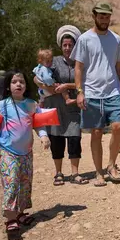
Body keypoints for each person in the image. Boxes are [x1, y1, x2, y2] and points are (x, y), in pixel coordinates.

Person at [0, 70, 50, 234]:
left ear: (26, 86)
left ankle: (20, 213)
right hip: (7, 151)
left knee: (24, 184)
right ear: (8, 87)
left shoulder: (31, 104)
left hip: (26, 152)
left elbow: (37, 124)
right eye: (14, 82)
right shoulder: (2, 105)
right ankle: (11, 218)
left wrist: (43, 136)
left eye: (21, 81)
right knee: (11, 182)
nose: (18, 84)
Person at [71, 1, 120, 187]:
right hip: (92, 94)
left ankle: (112, 165)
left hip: (113, 92)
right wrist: (79, 92)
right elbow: (78, 68)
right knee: (96, 132)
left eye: (107, 16)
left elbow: (119, 65)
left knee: (119, 126)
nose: (104, 19)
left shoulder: (116, 39)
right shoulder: (84, 39)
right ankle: (98, 172)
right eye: (101, 16)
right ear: (94, 16)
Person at [36, 25, 87, 186]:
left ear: (75, 46)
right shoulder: (53, 61)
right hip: (54, 107)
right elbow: (37, 77)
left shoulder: (80, 63)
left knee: (74, 139)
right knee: (56, 139)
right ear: (61, 45)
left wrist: (67, 86)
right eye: (64, 45)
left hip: (72, 108)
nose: (67, 48)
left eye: (70, 45)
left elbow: (85, 83)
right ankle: (58, 173)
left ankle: (75, 173)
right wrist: (44, 87)